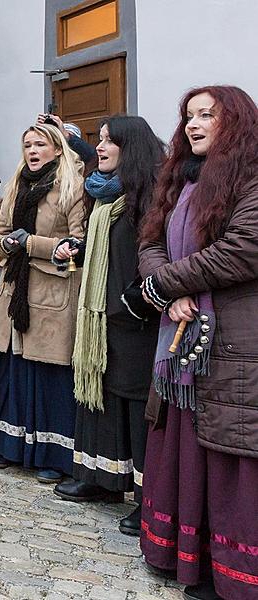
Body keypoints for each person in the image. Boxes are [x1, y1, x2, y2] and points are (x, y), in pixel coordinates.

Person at [138, 85, 258, 600]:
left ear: (234, 122)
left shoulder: (252, 180)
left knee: (226, 456)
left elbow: (243, 250)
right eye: (189, 116)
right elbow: (150, 243)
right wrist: (167, 292)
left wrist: (171, 285)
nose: (193, 124)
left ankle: (229, 573)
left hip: (231, 344)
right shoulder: (179, 182)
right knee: (181, 447)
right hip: (180, 345)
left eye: (206, 115)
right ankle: (181, 557)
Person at [51, 116, 166, 537]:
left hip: (136, 321)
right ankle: (102, 479)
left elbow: (155, 255)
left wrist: (135, 301)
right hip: (101, 317)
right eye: (98, 140)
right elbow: (107, 250)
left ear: (130, 148)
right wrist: (78, 250)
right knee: (100, 397)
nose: (99, 147)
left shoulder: (150, 198)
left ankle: (146, 496)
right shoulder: (104, 194)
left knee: (136, 408)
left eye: (108, 141)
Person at [0, 123, 84, 483]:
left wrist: (31, 244)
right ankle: (8, 446)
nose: (32, 150)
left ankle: (54, 455)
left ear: (57, 149)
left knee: (47, 376)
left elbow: (78, 243)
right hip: (14, 295)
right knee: (9, 370)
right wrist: (8, 245)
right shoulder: (15, 187)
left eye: (40, 144)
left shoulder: (71, 188)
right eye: (27, 144)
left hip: (52, 293)